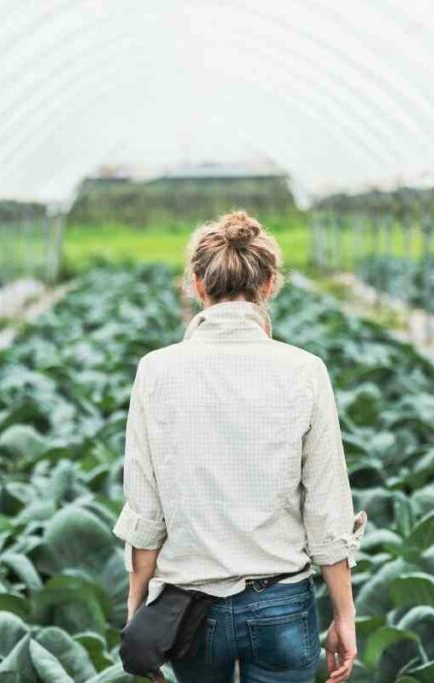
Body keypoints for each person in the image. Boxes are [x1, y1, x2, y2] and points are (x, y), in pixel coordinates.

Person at [113, 210, 366, 682]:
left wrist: (138, 611)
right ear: (269, 284)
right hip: (282, 604)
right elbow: (328, 510)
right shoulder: (305, 370)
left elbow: (146, 514)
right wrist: (344, 616)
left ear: (196, 285)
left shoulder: (156, 370)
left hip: (190, 609)